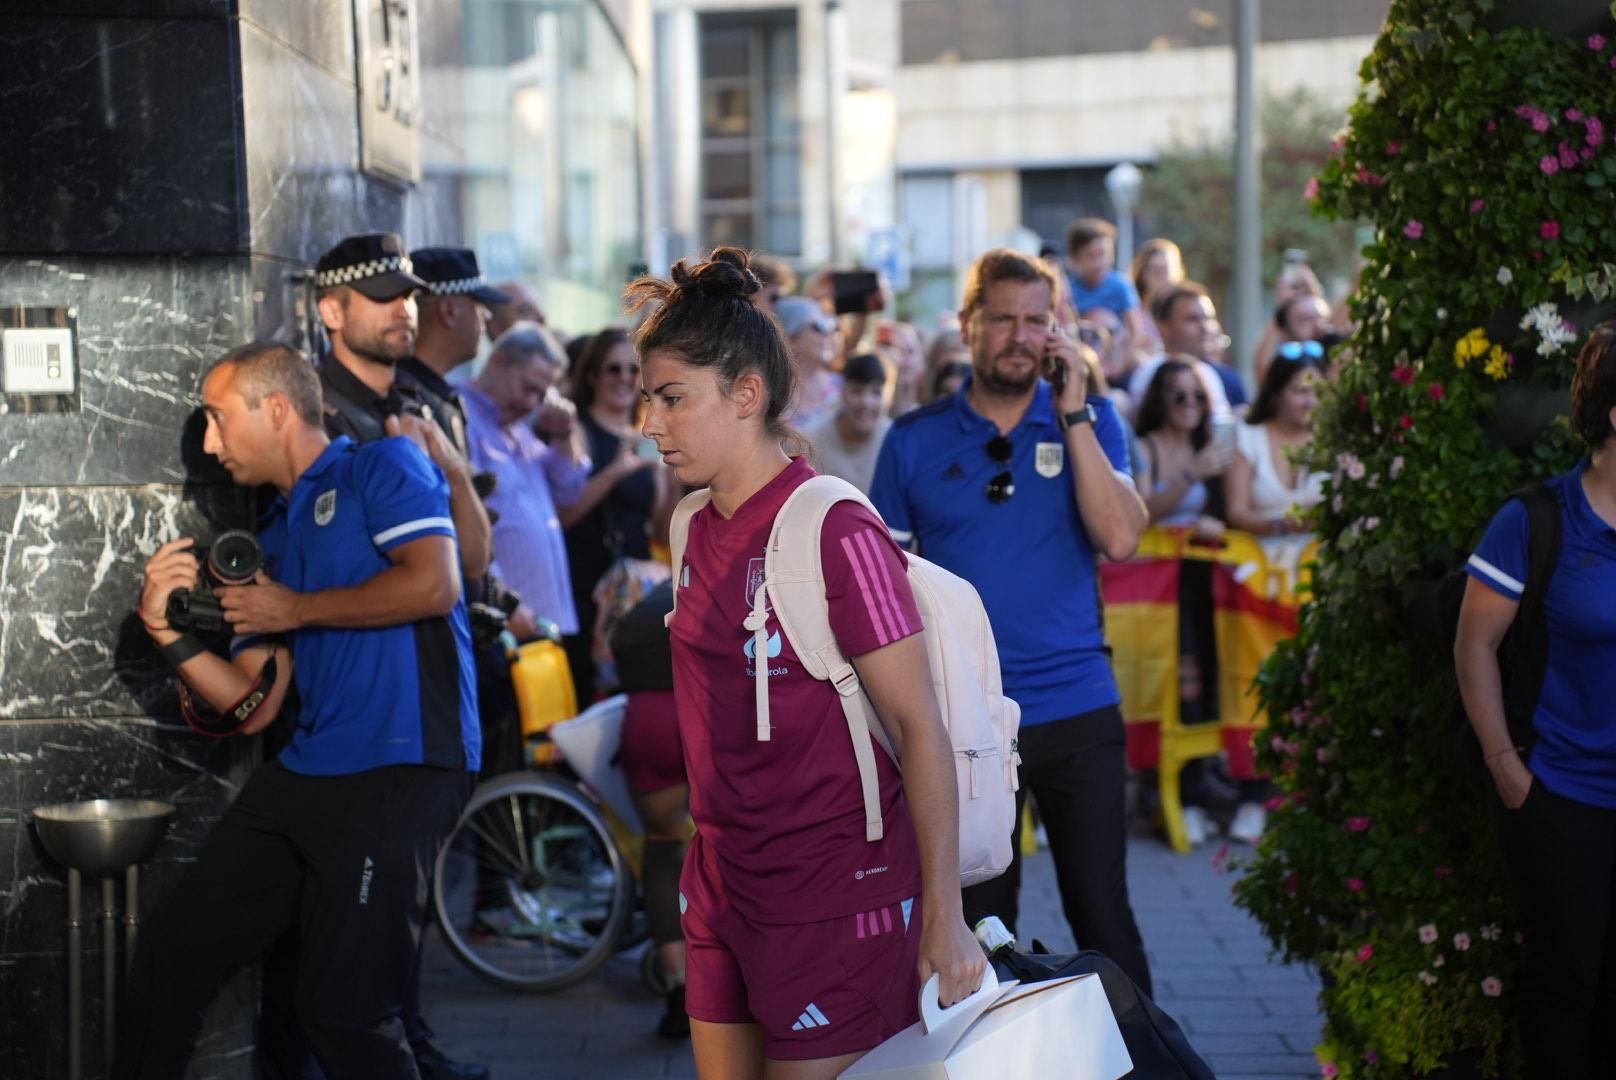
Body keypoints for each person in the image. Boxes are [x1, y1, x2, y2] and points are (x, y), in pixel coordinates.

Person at [629, 247, 984, 1078]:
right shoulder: (688, 526)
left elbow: (917, 726)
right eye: (649, 398)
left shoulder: (835, 526)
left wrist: (946, 915)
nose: (650, 423)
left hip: (837, 898)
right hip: (721, 884)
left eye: (672, 399)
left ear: (746, 394)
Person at [119, 343, 478, 1079]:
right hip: (310, 771)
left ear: (274, 408)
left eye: (218, 419)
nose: (211, 444)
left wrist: (298, 608)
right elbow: (254, 703)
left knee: (345, 1012)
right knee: (168, 955)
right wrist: (167, 632)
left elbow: (436, 585)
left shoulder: (383, 467)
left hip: (400, 766)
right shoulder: (274, 536)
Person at [871, 246, 1153, 994]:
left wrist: (1076, 414)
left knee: (1104, 915)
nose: (1020, 336)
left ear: (1057, 333)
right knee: (978, 927)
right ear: (968, 326)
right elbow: (885, 594)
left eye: (1038, 321)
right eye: (1003, 319)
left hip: (1077, 705)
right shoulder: (913, 440)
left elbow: (1121, 538)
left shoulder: (1088, 423)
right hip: (965, 726)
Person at [1456, 325, 1616, 1078]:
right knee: (1566, 985)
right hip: (1564, 795)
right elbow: (1474, 647)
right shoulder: (1538, 520)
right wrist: (1504, 764)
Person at [312, 233, 492, 584]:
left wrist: (454, 469)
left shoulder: (419, 404)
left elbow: (475, 559)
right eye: (383, 296)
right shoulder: (316, 412)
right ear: (332, 311)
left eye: (410, 295)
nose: (403, 310)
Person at [559, 328, 675, 702]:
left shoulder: (647, 437)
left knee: (632, 690)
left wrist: (669, 476)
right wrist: (614, 472)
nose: (624, 379)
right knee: (588, 689)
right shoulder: (577, 431)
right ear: (592, 375)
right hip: (587, 585)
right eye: (613, 369)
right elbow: (565, 514)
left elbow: (659, 528)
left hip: (634, 588)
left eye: (633, 370)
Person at [462, 324, 591, 637]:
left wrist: (563, 434)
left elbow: (569, 490)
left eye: (541, 394)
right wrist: (502, 599)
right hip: (504, 624)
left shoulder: (519, 431)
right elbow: (466, 520)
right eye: (527, 387)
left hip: (542, 623)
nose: (531, 403)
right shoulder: (462, 418)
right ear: (498, 362)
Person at [608, 579, 692, 1039]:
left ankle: (679, 991)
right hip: (707, 712)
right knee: (737, 844)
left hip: (648, 718)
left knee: (662, 848)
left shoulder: (657, 590)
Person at [1224, 352, 1325, 545]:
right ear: (1275, 394)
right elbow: (1236, 513)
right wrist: (1284, 524)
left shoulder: (1330, 438)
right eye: (1300, 391)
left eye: (1317, 391)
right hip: (1261, 563)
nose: (1310, 401)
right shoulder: (1248, 436)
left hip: (1319, 560)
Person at [1126, 282, 1233, 418]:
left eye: (1207, 318)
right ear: (1163, 327)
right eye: (1192, 319)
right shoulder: (1149, 375)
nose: (1204, 327)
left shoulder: (1216, 375)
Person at [802, 352, 893, 495]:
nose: (866, 402)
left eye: (875, 392)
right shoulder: (810, 440)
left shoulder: (894, 440)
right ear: (842, 392)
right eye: (856, 391)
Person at [1065, 218, 1146, 351]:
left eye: (1103, 254)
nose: (1099, 263)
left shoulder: (1120, 285)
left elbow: (1136, 332)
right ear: (1075, 259)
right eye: (1090, 256)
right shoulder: (1069, 289)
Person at [775, 295, 842, 427]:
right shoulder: (770, 395)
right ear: (790, 339)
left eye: (829, 325)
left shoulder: (843, 388)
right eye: (818, 327)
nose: (828, 334)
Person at [1130, 238, 1186, 357]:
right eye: (1156, 271)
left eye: (1167, 270)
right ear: (1143, 275)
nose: (1163, 278)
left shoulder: (1189, 313)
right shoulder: (1132, 315)